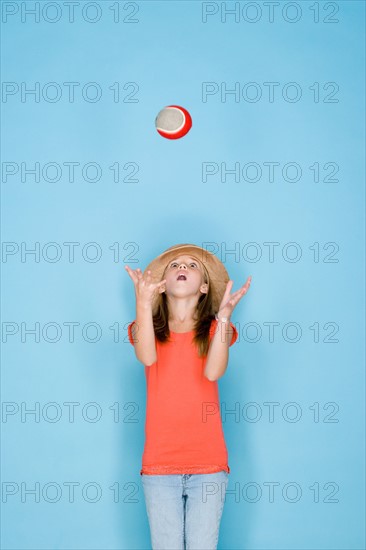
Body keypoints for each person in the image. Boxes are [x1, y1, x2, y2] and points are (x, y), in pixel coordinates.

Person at [125, 243, 252, 550]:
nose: (182, 267)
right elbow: (146, 356)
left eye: (192, 265)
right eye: (175, 265)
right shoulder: (149, 330)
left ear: (205, 287)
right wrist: (143, 302)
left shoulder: (213, 330)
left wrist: (223, 320)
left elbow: (213, 372)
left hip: (208, 466)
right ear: (163, 284)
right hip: (159, 466)